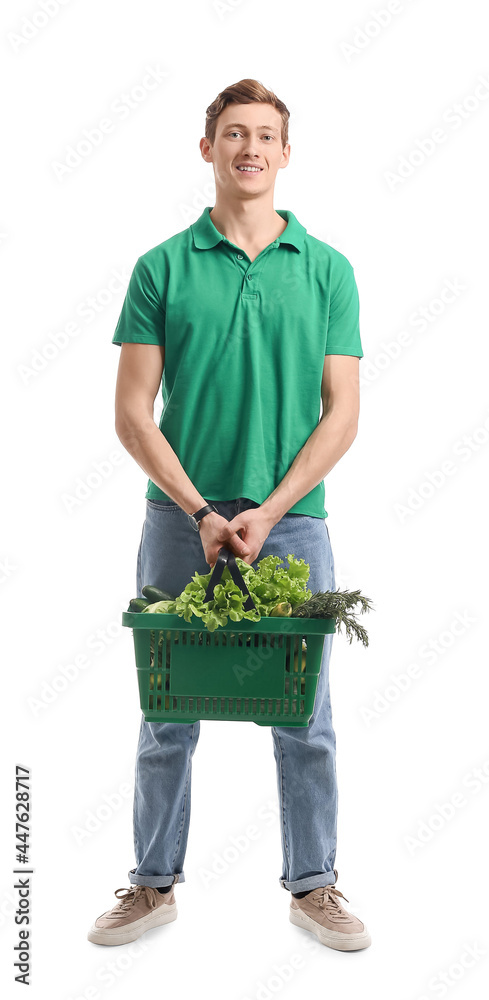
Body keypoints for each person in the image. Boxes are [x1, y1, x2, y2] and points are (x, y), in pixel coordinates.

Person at [87, 78, 370, 952]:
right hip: (180, 519)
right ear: (206, 149)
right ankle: (151, 883)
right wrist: (205, 511)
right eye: (234, 134)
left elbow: (342, 412)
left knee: (303, 714)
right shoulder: (161, 267)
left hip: (295, 523)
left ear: (287, 154)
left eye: (266, 136)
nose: (250, 147)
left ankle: (313, 885)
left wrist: (271, 508)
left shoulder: (327, 270)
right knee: (168, 706)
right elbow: (133, 413)